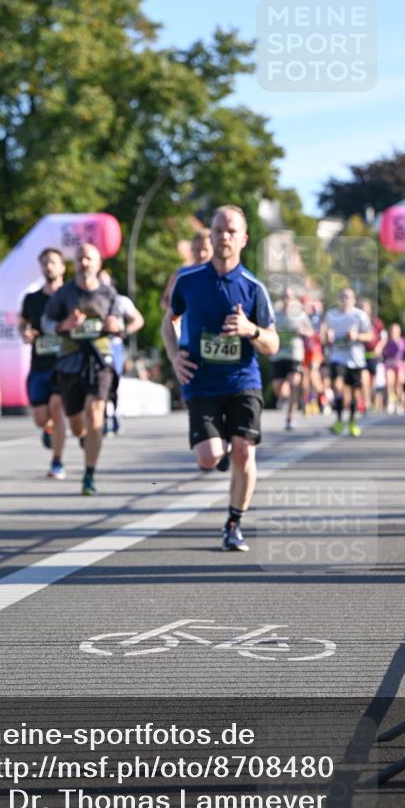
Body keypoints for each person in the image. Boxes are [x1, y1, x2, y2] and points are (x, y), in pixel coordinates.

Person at [161, 205, 279, 552]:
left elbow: (272, 344)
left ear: (243, 239)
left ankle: (233, 523)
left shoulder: (253, 287)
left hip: (243, 380)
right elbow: (169, 320)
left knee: (244, 453)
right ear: (210, 236)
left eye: (230, 231)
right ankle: (220, 448)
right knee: (209, 457)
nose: (223, 236)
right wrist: (173, 357)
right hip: (201, 381)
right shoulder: (188, 281)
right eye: (217, 230)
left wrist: (250, 329)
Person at [42, 243, 121, 496]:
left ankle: (89, 475)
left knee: (96, 413)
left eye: (88, 258)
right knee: (77, 424)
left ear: (98, 263)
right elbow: (46, 322)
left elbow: (123, 323)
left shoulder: (109, 294)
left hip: (100, 360)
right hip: (70, 361)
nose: (84, 262)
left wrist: (116, 325)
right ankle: (85, 439)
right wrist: (65, 324)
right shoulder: (64, 294)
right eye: (79, 258)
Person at [18, 248, 67, 479]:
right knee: (40, 417)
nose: (49, 266)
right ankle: (48, 428)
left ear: (62, 267)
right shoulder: (32, 299)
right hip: (39, 365)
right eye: (45, 263)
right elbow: (23, 324)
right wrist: (25, 333)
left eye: (53, 262)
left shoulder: (70, 296)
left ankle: (57, 462)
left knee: (57, 408)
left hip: (65, 364)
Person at [98, 268, 145, 436]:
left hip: (114, 346)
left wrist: (123, 332)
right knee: (98, 383)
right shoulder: (87, 299)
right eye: (99, 279)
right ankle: (101, 419)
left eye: (105, 280)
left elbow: (138, 320)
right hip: (94, 346)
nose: (101, 283)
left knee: (113, 383)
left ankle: (115, 414)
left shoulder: (120, 301)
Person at [321, 288, 373, 437]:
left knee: (354, 392)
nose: (345, 300)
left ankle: (351, 421)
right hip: (337, 357)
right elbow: (323, 337)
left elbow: (370, 336)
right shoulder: (331, 315)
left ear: (354, 300)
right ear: (339, 299)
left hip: (355, 359)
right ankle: (338, 420)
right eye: (343, 297)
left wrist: (357, 336)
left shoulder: (359, 315)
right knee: (338, 386)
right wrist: (327, 337)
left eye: (348, 297)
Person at [271, 286, 313, 430]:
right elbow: (268, 329)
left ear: (293, 299)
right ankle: (285, 400)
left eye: (289, 297)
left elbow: (311, 331)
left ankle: (290, 417)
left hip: (295, 354)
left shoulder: (300, 314)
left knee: (294, 383)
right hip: (278, 354)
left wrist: (303, 331)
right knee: (279, 388)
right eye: (284, 297)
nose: (287, 300)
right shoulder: (275, 314)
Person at [159, 228, 212, 312]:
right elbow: (164, 301)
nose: (202, 254)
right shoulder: (180, 274)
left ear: (213, 250)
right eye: (198, 250)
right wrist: (175, 312)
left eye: (205, 250)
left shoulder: (220, 274)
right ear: (192, 249)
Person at [358, 298, 386, 413]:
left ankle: (374, 401)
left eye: (365, 307)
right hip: (360, 355)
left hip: (373, 355)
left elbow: (384, 336)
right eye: (361, 307)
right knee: (363, 379)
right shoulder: (356, 321)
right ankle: (366, 402)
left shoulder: (376, 322)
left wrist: (379, 347)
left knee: (372, 381)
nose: (363, 310)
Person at [383, 322, 405, 414]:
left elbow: (400, 350)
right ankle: (391, 402)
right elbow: (384, 351)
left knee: (398, 385)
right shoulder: (386, 341)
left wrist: (395, 341)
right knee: (389, 383)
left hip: (399, 364)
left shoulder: (402, 340)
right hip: (389, 363)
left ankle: (399, 403)